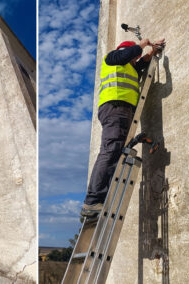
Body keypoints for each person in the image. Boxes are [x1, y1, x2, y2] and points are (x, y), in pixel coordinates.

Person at [81, 37, 165, 217]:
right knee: (110, 150)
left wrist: (153, 51)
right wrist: (143, 43)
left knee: (115, 151)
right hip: (115, 108)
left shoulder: (129, 67)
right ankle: (93, 200)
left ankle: (101, 198)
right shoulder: (113, 58)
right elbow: (130, 55)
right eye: (134, 56)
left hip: (122, 111)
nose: (135, 60)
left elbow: (141, 64)